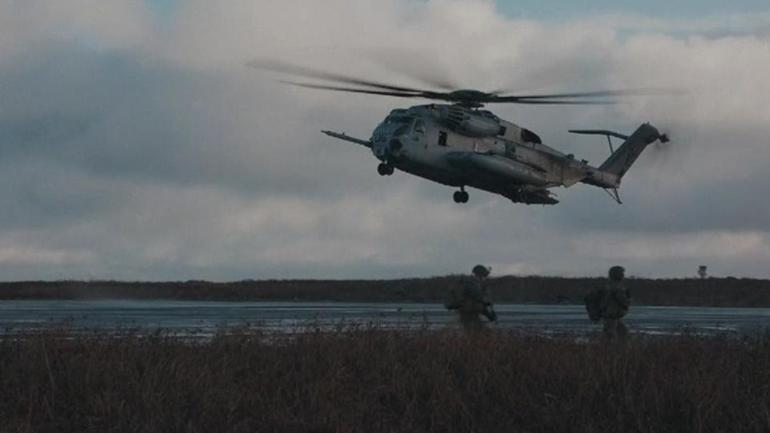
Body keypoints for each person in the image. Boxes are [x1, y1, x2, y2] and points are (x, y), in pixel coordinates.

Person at [445, 264, 497, 332]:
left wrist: (489, 315)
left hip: (469, 313)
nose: (484, 278)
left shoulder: (472, 283)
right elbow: (479, 299)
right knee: (478, 333)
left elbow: (479, 303)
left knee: (480, 332)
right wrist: (489, 311)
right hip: (468, 314)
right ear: (478, 275)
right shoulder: (471, 284)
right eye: (483, 276)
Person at [585, 265, 631, 340]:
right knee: (609, 338)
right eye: (622, 273)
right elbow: (623, 301)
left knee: (623, 335)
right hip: (611, 317)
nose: (623, 275)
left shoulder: (609, 286)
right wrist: (627, 298)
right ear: (617, 274)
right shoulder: (615, 287)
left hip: (615, 318)